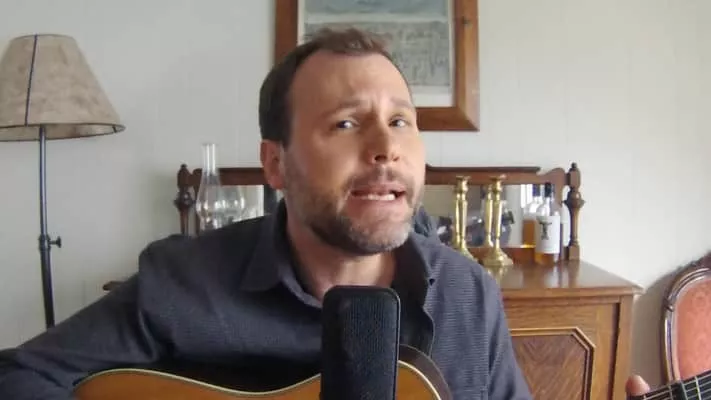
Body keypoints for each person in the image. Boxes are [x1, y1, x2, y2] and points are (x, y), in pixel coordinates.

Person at [0, 27, 650, 400]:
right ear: (276, 163)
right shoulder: (185, 281)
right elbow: (21, 376)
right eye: (345, 123)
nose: (386, 147)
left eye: (401, 121)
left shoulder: (468, 294)